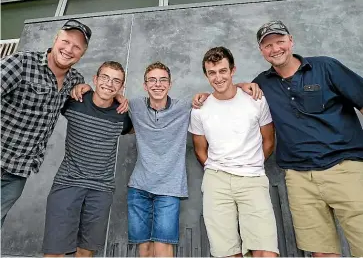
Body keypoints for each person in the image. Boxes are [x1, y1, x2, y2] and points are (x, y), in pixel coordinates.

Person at [73, 61, 262, 257]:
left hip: (169, 189)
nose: (157, 84)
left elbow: (220, 94)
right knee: (144, 249)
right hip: (139, 188)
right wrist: (85, 87)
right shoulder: (135, 106)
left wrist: (242, 86)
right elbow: (108, 96)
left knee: (163, 249)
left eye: (163, 80)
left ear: (170, 84)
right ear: (145, 85)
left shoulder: (185, 107)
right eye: (152, 80)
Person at [253, 20, 363, 257]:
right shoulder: (262, 84)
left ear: (291, 41)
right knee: (320, 252)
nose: (275, 49)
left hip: (344, 168)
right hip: (299, 178)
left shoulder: (326, 67)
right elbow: (236, 97)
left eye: (280, 42)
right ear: (262, 51)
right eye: (268, 45)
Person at [188, 46, 279, 257]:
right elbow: (200, 150)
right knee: (226, 252)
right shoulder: (200, 109)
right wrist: (220, 168)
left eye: (222, 71)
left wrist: (250, 162)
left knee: (265, 251)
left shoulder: (255, 100)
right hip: (216, 181)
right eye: (212, 72)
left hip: (252, 178)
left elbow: (269, 141)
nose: (218, 77)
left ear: (232, 70)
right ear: (206, 75)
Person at [0, 19, 92, 227]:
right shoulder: (21, 63)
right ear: (55, 39)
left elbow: (94, 103)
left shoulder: (74, 80)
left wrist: (118, 99)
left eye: (76, 47)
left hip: (18, 171)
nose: (69, 49)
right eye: (66, 41)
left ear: (82, 54)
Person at [42, 61, 133, 257]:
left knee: (85, 252)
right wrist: (80, 87)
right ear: (95, 79)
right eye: (105, 78)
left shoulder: (122, 115)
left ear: (122, 87)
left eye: (116, 81)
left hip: (101, 190)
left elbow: (139, 128)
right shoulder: (75, 101)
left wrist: (120, 99)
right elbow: (53, 87)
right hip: (68, 183)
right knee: (55, 252)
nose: (109, 83)